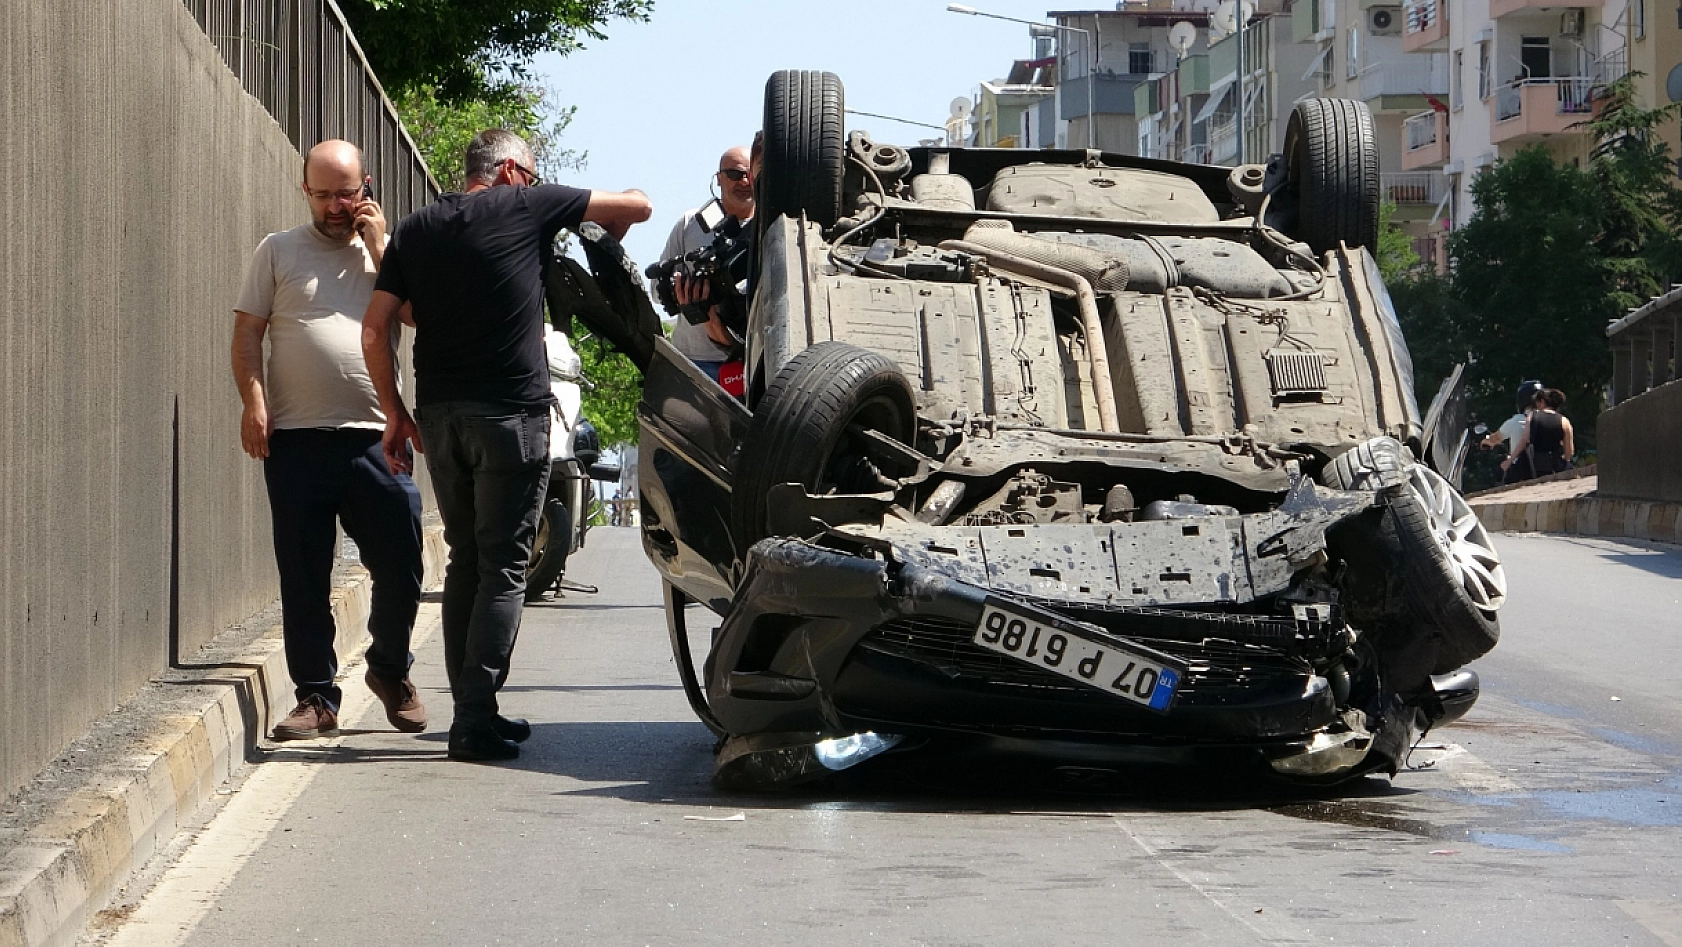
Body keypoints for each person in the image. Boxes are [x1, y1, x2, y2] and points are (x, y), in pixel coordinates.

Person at [361, 130, 651, 762]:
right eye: (534, 172)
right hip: (510, 417)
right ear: (514, 171)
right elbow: (638, 207)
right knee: (504, 566)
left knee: (466, 556)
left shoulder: (414, 229)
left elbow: (379, 325)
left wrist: (394, 412)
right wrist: (606, 215)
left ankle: (476, 709)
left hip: (440, 418)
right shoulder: (525, 204)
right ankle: (473, 718)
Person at [231, 139, 427, 742]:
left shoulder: (390, 252)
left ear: (367, 185)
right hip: (295, 441)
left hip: (376, 436)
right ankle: (316, 696)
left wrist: (379, 245)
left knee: (402, 559)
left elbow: (420, 316)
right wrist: (254, 403)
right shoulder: (277, 251)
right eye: (325, 195)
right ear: (305, 192)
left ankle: (390, 670)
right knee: (303, 573)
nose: (338, 206)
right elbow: (247, 335)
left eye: (348, 193)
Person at [659, 145, 755, 381]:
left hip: (748, 361)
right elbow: (658, 286)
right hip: (692, 360)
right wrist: (683, 292)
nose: (744, 181)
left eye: (750, 174)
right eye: (735, 174)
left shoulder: (770, 228)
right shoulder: (689, 223)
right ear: (719, 179)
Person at [1483, 379, 1543, 484]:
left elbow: (1495, 438)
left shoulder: (1516, 421)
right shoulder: (1552, 419)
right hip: (1547, 467)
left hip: (1522, 471)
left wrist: (1485, 441)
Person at [1510, 388, 1574, 478]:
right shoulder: (1564, 421)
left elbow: (1524, 440)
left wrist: (1510, 460)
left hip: (1533, 468)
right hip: (1555, 466)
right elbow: (1569, 452)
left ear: (1542, 402)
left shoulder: (1532, 416)